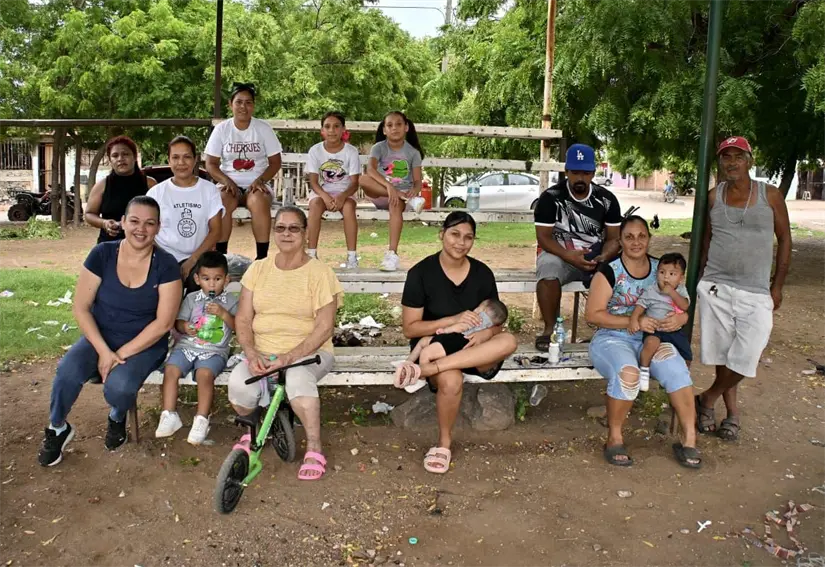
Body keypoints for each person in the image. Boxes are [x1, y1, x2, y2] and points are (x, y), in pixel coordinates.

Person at [38, 196, 182, 466]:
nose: (142, 229)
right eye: (135, 221)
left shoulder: (166, 265)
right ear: (124, 222)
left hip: (146, 343)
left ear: (159, 227)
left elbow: (163, 324)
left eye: (150, 223)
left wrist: (119, 354)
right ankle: (57, 427)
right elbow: (81, 307)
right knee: (67, 371)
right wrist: (105, 352)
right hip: (101, 336)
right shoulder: (102, 254)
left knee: (120, 387)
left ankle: (117, 416)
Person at [396, 212, 518, 474]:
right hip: (436, 349)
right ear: (441, 234)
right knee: (452, 381)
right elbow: (410, 328)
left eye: (468, 237)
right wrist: (453, 319)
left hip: (475, 350)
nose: (461, 243)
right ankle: (444, 444)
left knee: (508, 340)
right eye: (454, 234)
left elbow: (496, 319)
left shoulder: (483, 273)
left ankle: (425, 372)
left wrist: (487, 334)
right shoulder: (420, 273)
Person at [227, 206, 342, 480]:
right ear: (273, 232)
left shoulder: (320, 273)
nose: (286, 233)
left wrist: (289, 357)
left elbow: (325, 327)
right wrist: (251, 352)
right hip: (263, 351)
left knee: (298, 380)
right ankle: (252, 431)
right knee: (238, 385)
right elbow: (243, 319)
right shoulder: (257, 270)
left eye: (294, 228)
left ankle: (314, 446)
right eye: (280, 228)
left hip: (309, 353)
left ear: (306, 233)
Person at [695, 136, 791, 442]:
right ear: (720, 163)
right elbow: (706, 241)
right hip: (716, 287)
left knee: (748, 352)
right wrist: (699, 278)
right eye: (726, 157)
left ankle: (707, 398)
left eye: (738, 156)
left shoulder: (771, 195)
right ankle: (732, 414)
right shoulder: (714, 197)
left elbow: (786, 240)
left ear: (749, 160)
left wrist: (777, 286)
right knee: (725, 354)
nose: (732, 162)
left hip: (755, 290)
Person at [585, 215, 700, 469]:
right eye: (629, 237)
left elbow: (684, 304)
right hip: (612, 338)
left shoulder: (664, 268)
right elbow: (593, 315)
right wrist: (631, 321)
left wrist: (681, 320)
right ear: (620, 241)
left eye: (642, 236)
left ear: (649, 238)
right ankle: (614, 437)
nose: (636, 242)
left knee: (675, 368)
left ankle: (689, 438)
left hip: (656, 337)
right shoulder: (609, 271)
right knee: (628, 374)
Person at [533, 143, 622, 350]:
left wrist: (602, 257)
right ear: (566, 172)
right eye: (575, 172)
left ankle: (606, 331)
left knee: (619, 271)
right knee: (547, 269)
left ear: (593, 172)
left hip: (595, 256)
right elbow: (543, 238)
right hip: (560, 253)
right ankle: (549, 329)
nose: (580, 178)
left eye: (586, 172)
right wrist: (568, 255)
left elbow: (614, 239)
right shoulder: (550, 198)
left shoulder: (607, 199)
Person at [155, 251, 239, 444]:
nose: (211, 284)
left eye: (217, 279)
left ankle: (201, 419)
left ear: (226, 279)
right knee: (171, 370)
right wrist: (185, 327)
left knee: (204, 375)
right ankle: (169, 414)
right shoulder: (192, 298)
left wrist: (224, 314)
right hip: (187, 346)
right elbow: (178, 322)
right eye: (206, 278)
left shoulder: (232, 301)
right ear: (197, 278)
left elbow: (239, 328)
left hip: (214, 351)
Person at [205, 82, 283, 260]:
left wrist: (260, 180)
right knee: (222, 201)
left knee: (258, 200)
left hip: (257, 183)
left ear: (253, 106)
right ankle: (221, 256)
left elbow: (275, 162)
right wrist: (226, 181)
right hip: (228, 183)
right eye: (239, 102)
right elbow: (211, 163)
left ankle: (261, 258)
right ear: (230, 105)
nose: (243, 107)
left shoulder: (263, 129)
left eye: (248, 102)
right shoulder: (221, 129)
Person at [147, 136, 224, 293]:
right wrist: (167, 261)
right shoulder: (156, 193)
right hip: (164, 256)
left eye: (187, 157)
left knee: (199, 290)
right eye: (175, 157)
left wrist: (192, 260)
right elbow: (147, 230)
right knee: (165, 295)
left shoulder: (209, 190)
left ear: (195, 159)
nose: (181, 163)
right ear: (168, 160)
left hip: (199, 256)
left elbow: (215, 230)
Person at [398, 298, 509, 393]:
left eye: (478, 308)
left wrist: (444, 330)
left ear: (483, 313)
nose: (474, 310)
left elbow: (458, 328)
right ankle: (408, 362)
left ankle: (421, 377)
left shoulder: (475, 320)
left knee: (426, 352)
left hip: (454, 343)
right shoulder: (485, 327)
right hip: (454, 342)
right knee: (423, 341)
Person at [360, 110, 424, 271]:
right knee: (361, 179)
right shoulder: (378, 148)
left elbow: (417, 181)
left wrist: (414, 191)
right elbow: (371, 171)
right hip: (380, 192)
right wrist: (390, 187)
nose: (394, 128)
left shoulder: (413, 153)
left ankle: (392, 254)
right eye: (389, 125)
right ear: (384, 130)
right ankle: (402, 196)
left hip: (399, 199)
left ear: (406, 127)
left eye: (398, 124)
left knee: (395, 205)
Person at [306, 111, 361, 268]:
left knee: (349, 208)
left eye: (336, 126)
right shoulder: (315, 151)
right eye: (327, 127)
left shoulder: (351, 151)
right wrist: (325, 197)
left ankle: (352, 257)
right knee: (315, 206)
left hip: (345, 191)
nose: (332, 130)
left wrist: (342, 196)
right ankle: (312, 254)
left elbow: (354, 183)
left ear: (343, 129)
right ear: (322, 131)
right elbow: (314, 182)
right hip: (321, 191)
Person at [629, 252, 691, 392]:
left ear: (681, 278)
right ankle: (644, 371)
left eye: (672, 274)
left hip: (674, 331)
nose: (666, 277)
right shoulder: (652, 290)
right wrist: (634, 319)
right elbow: (641, 305)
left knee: (687, 355)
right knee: (651, 343)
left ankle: (681, 378)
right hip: (654, 329)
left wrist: (671, 293)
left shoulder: (681, 290)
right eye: (662, 272)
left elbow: (684, 306)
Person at [85, 136, 156, 243]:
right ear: (110, 160)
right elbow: (89, 214)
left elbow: (162, 213)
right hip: (110, 246)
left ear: (135, 157)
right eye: (115, 155)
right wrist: (105, 223)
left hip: (144, 244)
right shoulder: (102, 185)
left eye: (125, 154)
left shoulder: (150, 184)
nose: (120, 159)